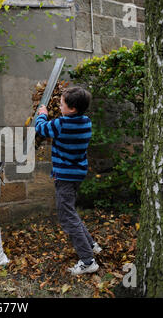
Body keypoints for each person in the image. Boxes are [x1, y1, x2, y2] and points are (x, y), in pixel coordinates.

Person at [35, 86, 102, 275]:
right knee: (71, 211)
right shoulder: (86, 122)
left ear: (71, 109)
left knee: (67, 217)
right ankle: (91, 245)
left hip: (64, 176)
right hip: (77, 174)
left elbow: (40, 128)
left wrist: (42, 113)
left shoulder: (61, 124)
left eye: (62, 103)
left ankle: (88, 261)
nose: (59, 105)